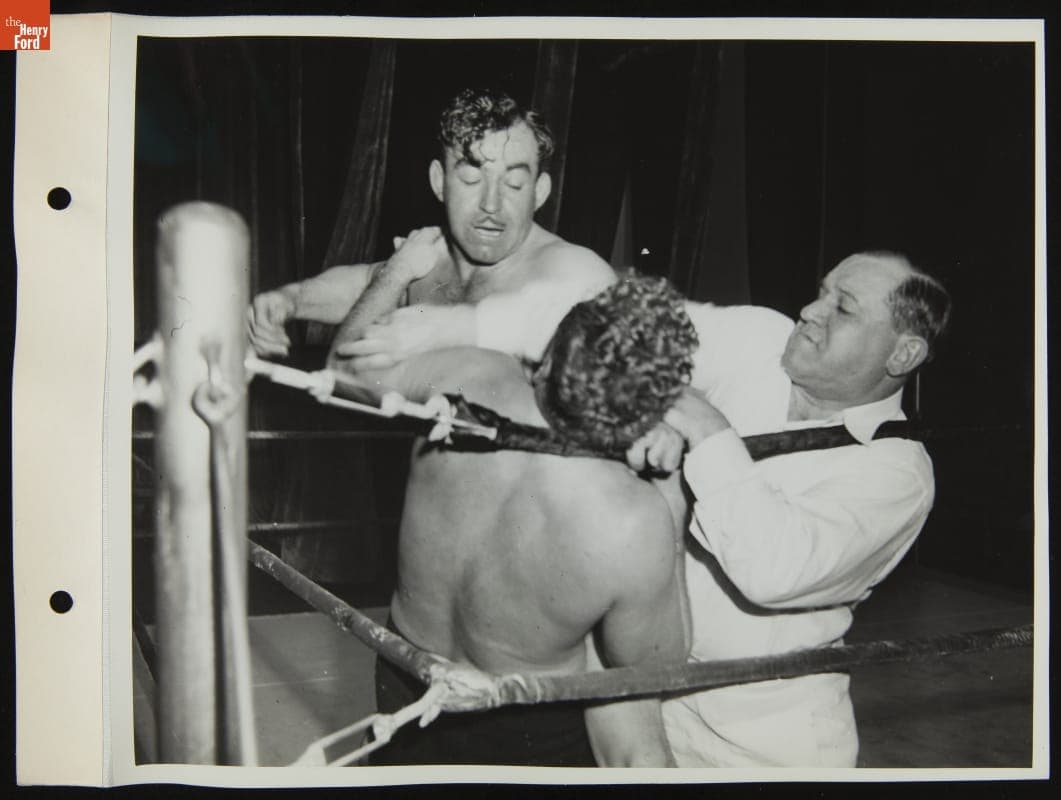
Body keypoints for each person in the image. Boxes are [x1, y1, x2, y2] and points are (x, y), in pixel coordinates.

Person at [349, 273, 698, 767]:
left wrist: (400, 268)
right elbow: (654, 667)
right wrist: (671, 495)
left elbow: (346, 369)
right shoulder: (631, 519)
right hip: (522, 722)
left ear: (550, 358)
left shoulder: (465, 376)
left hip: (406, 677)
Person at [626, 251, 952, 767]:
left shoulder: (897, 473)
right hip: (640, 699)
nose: (809, 310)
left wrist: (701, 424)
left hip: (762, 740)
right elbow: (626, 331)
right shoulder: (763, 342)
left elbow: (772, 569)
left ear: (902, 354)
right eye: (820, 292)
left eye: (842, 308)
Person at [246, 87, 615, 370]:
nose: (491, 204)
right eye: (471, 180)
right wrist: (289, 300)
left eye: (514, 185)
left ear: (540, 192)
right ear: (439, 182)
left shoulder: (571, 270)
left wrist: (672, 423)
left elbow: (644, 351)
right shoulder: (428, 257)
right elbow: (361, 283)